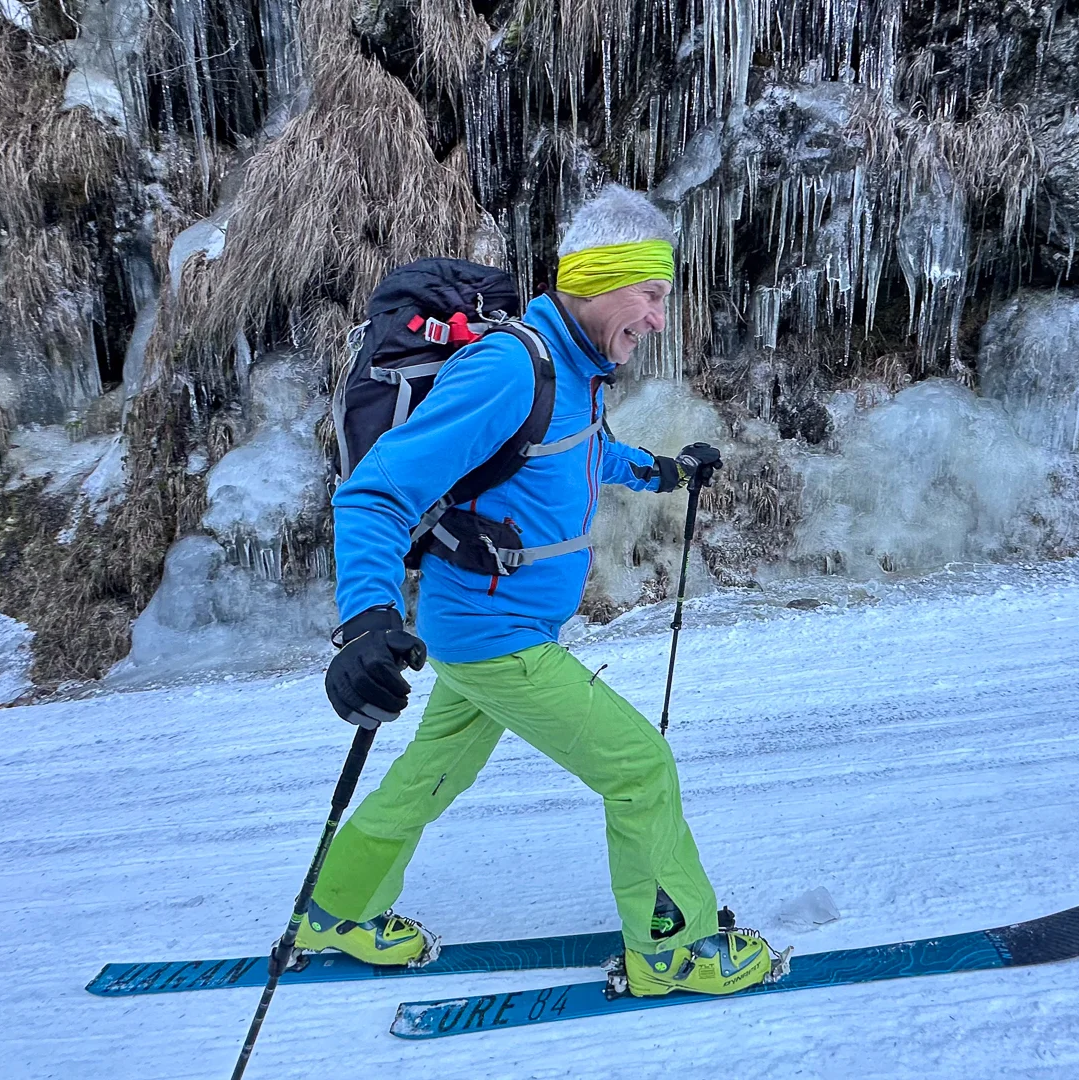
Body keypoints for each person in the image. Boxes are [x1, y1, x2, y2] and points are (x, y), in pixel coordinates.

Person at [301, 186, 774, 996]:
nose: (660, 318)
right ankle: (675, 949)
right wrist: (366, 619)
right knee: (640, 768)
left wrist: (662, 470)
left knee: (429, 776)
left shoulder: (576, 366)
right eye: (651, 295)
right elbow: (375, 492)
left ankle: (337, 910)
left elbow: (580, 451)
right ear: (599, 281)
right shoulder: (511, 367)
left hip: (489, 626)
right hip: (496, 633)